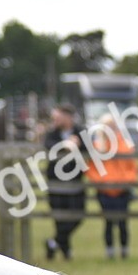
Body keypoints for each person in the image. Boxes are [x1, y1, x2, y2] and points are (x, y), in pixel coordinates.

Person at [85, 113, 138, 259]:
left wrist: (126, 182)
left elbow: (132, 168)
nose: (110, 128)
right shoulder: (97, 146)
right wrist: (102, 182)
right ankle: (109, 252)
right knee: (108, 222)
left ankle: (124, 251)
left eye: (112, 125)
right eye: (107, 125)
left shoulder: (125, 145)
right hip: (104, 191)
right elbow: (91, 169)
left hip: (122, 190)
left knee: (123, 222)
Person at [43, 104, 86, 260]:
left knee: (78, 216)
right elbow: (48, 147)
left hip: (76, 183)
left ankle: (53, 243)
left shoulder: (80, 132)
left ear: (68, 117)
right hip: (56, 184)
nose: (55, 120)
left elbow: (89, 151)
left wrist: (78, 145)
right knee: (59, 218)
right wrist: (65, 145)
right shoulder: (52, 134)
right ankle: (66, 252)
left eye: (58, 117)